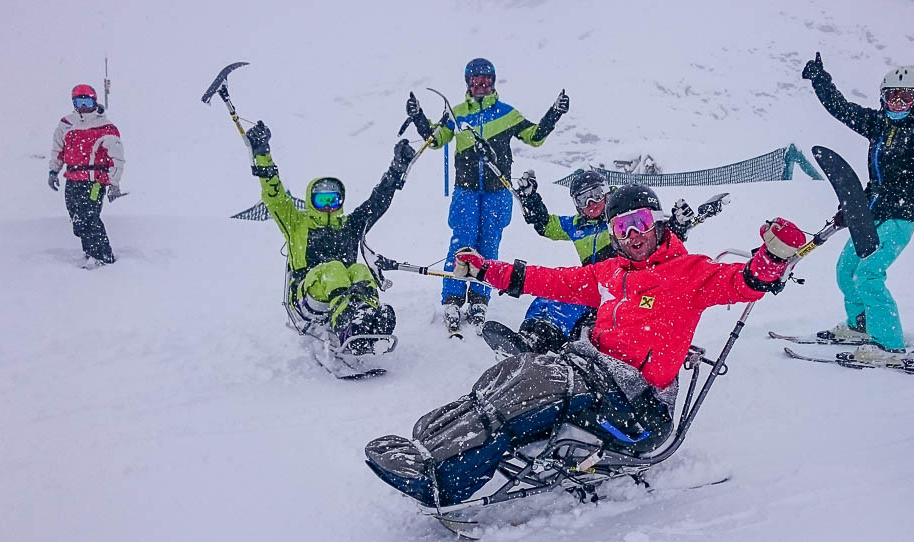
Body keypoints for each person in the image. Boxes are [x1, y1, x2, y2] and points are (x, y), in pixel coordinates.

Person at [364, 185, 806, 506]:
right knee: (512, 371)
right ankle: (428, 443)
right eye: (622, 227)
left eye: (641, 223)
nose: (633, 235)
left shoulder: (689, 273)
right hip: (592, 371)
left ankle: (445, 482)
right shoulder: (611, 270)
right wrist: (486, 270)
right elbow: (549, 280)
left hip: (636, 407)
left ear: (657, 223)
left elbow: (745, 282)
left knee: (534, 384)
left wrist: (771, 258)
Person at [802, 53, 914, 363]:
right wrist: (820, 80)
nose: (898, 103)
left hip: (900, 217)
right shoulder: (877, 123)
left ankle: (889, 343)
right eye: (892, 96)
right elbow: (841, 108)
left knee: (869, 274)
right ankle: (861, 326)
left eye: (905, 97)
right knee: (846, 270)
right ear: (883, 97)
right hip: (871, 212)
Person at [405, 58, 569, 333]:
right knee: (463, 241)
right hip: (466, 191)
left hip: (497, 191)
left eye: (485, 81)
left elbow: (534, 136)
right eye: (475, 81)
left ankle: (480, 298)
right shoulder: (457, 114)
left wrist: (555, 113)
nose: (481, 85)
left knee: (488, 244)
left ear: (492, 83)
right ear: (468, 84)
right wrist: (418, 116)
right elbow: (436, 140)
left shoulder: (507, 114)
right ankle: (453, 298)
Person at [485, 168, 721, 355]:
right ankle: (530, 335)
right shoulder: (577, 226)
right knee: (549, 295)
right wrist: (530, 199)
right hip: (591, 283)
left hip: (621, 286)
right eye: (583, 199)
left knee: (570, 302)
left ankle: (543, 340)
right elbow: (545, 225)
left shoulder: (624, 218)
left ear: (607, 192)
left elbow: (656, 234)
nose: (592, 203)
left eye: (596, 194)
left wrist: (679, 226)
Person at [243, 120, 414, 352]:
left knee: (360, 270)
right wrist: (262, 154)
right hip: (306, 297)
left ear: (340, 201)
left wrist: (397, 169)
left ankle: (370, 318)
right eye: (321, 200)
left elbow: (377, 203)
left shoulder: (349, 226)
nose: (327, 206)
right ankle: (348, 326)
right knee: (333, 268)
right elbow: (275, 197)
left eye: (332, 200)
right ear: (310, 201)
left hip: (346, 294)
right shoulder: (297, 223)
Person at [48, 84, 125, 268]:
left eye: (87, 102)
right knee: (76, 217)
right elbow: (58, 150)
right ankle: (90, 251)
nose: (83, 106)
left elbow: (117, 158)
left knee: (89, 216)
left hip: (95, 182)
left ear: (94, 102)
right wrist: (53, 171)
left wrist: (114, 183)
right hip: (72, 179)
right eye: (79, 102)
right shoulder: (66, 124)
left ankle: (103, 256)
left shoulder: (105, 127)